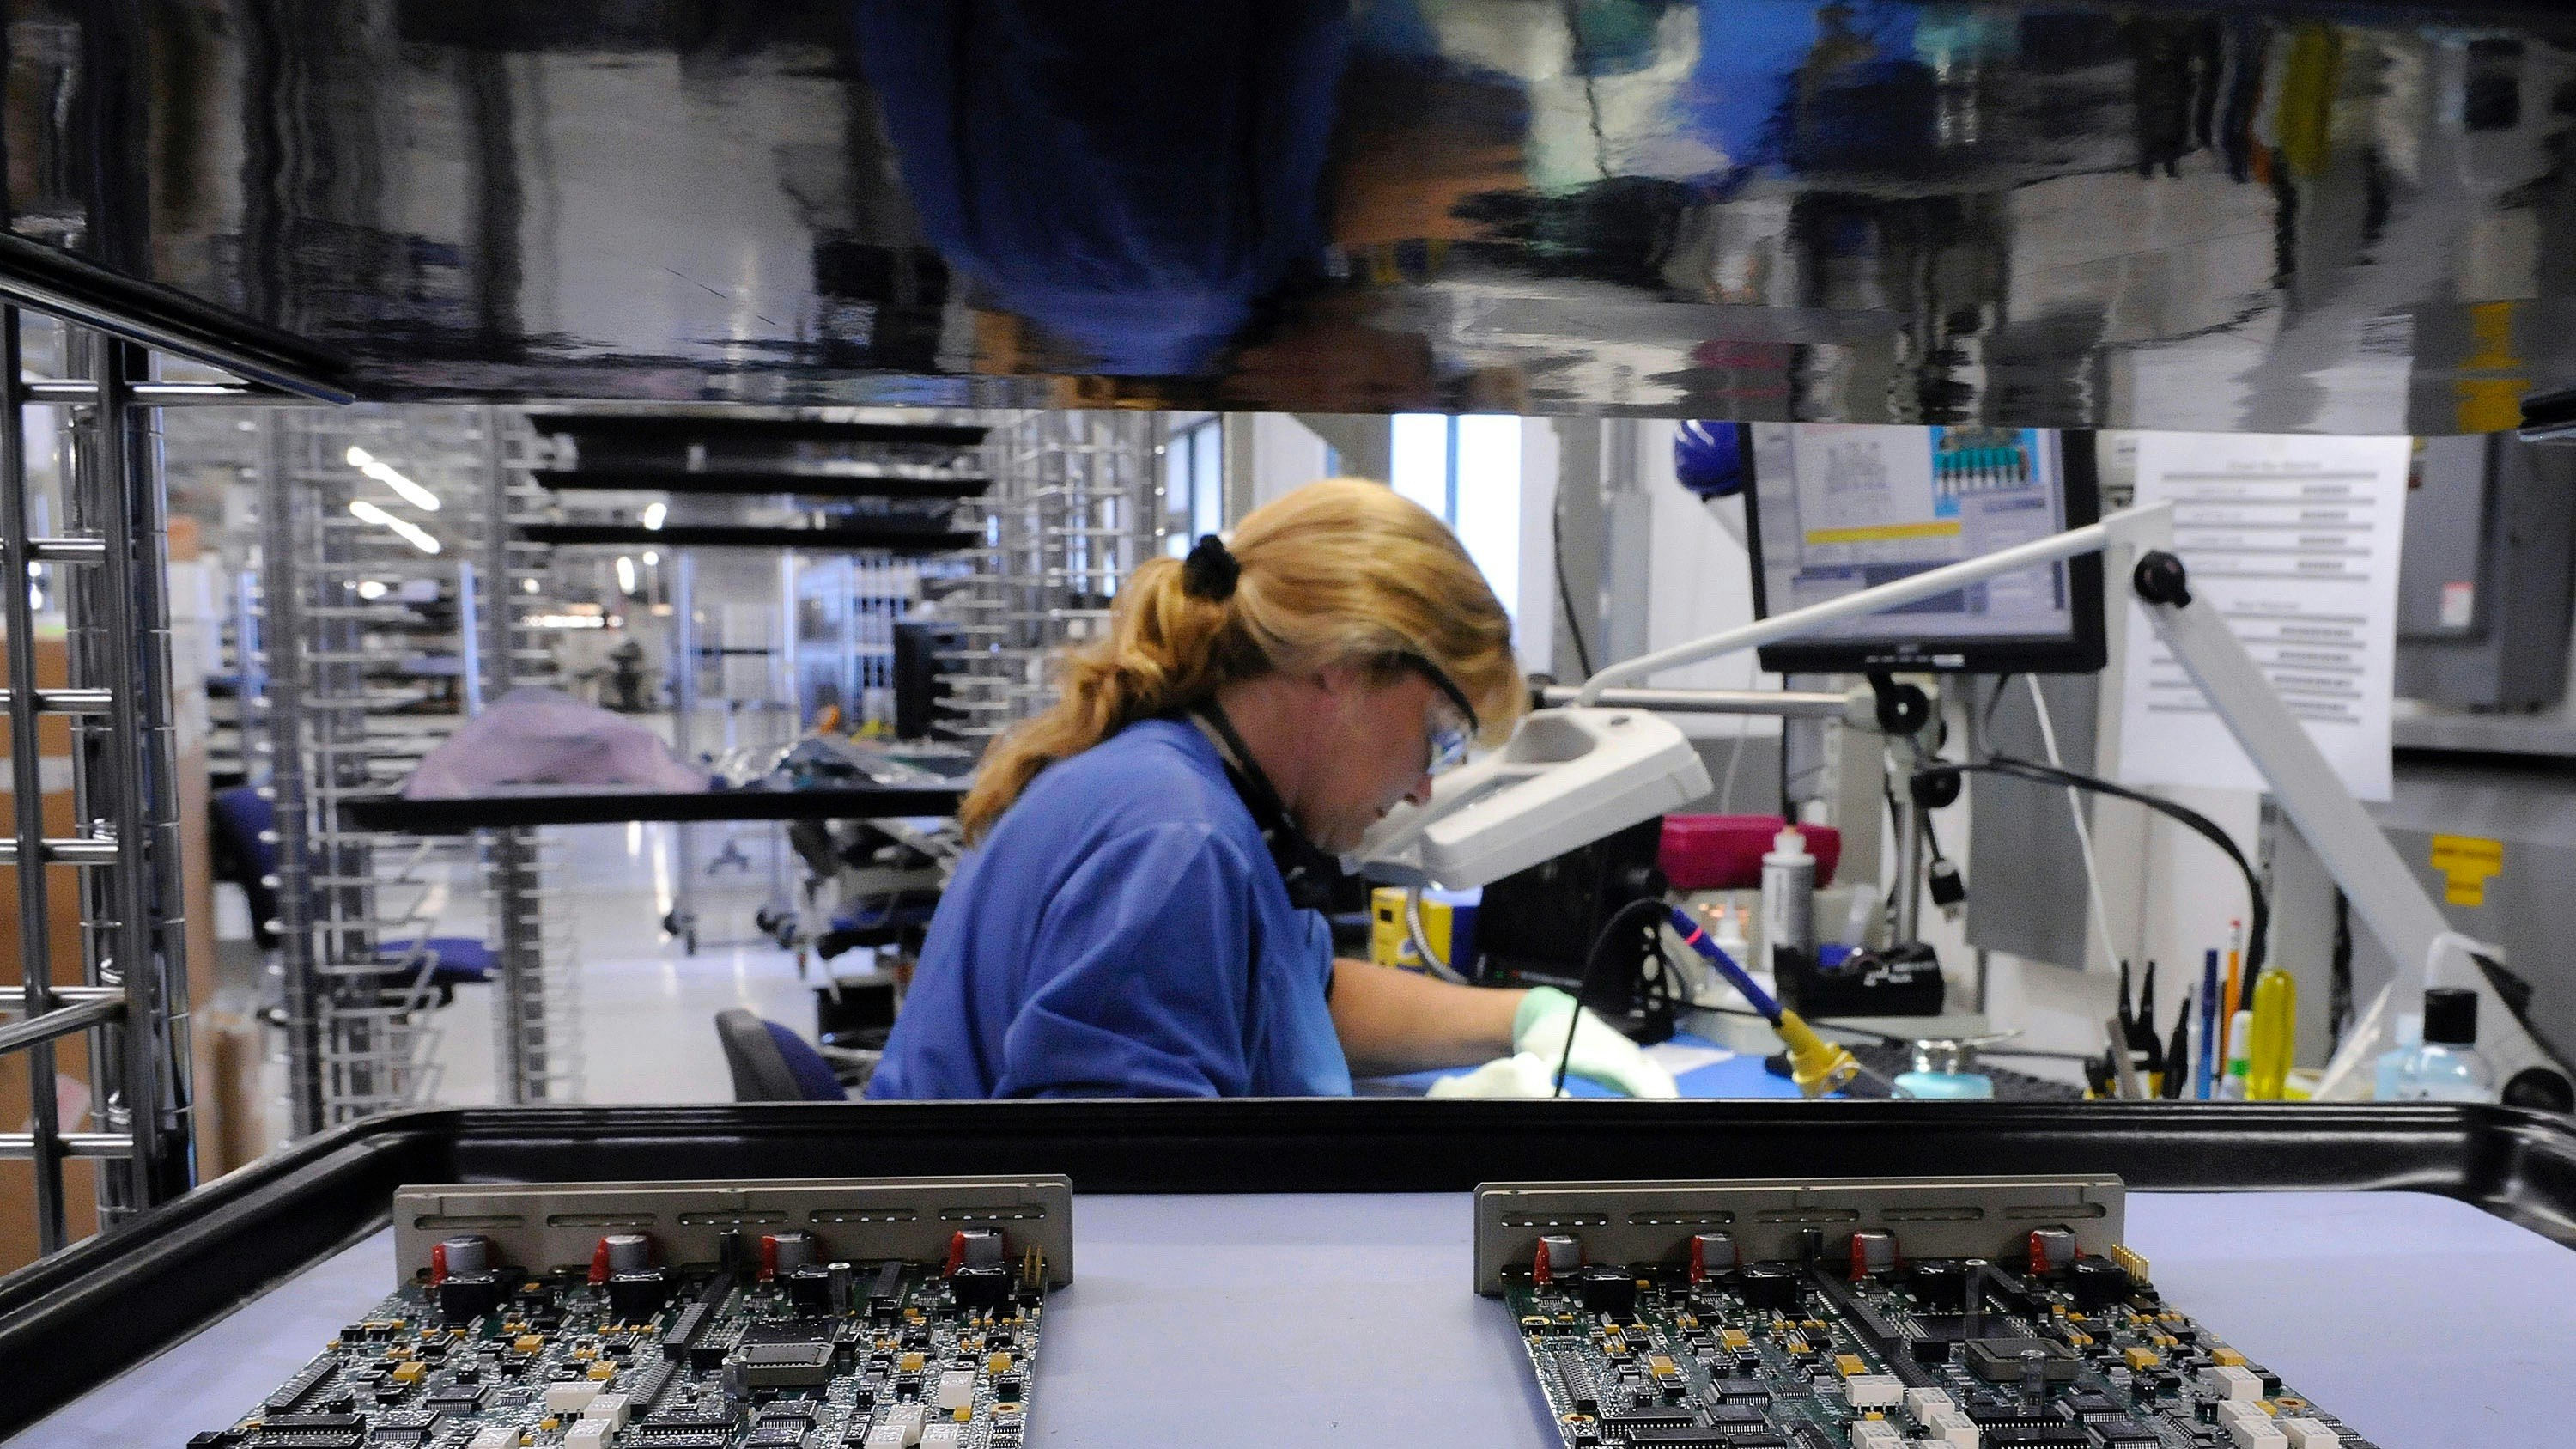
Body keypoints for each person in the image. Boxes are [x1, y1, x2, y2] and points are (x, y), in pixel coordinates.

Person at [866, 478, 1674, 1099]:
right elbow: (1131, 1213)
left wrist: (1528, 1017)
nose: (1426, 788)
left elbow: (1301, 991)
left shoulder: (1174, 782)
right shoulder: (1177, 843)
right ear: (1345, 664)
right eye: (1437, 735)